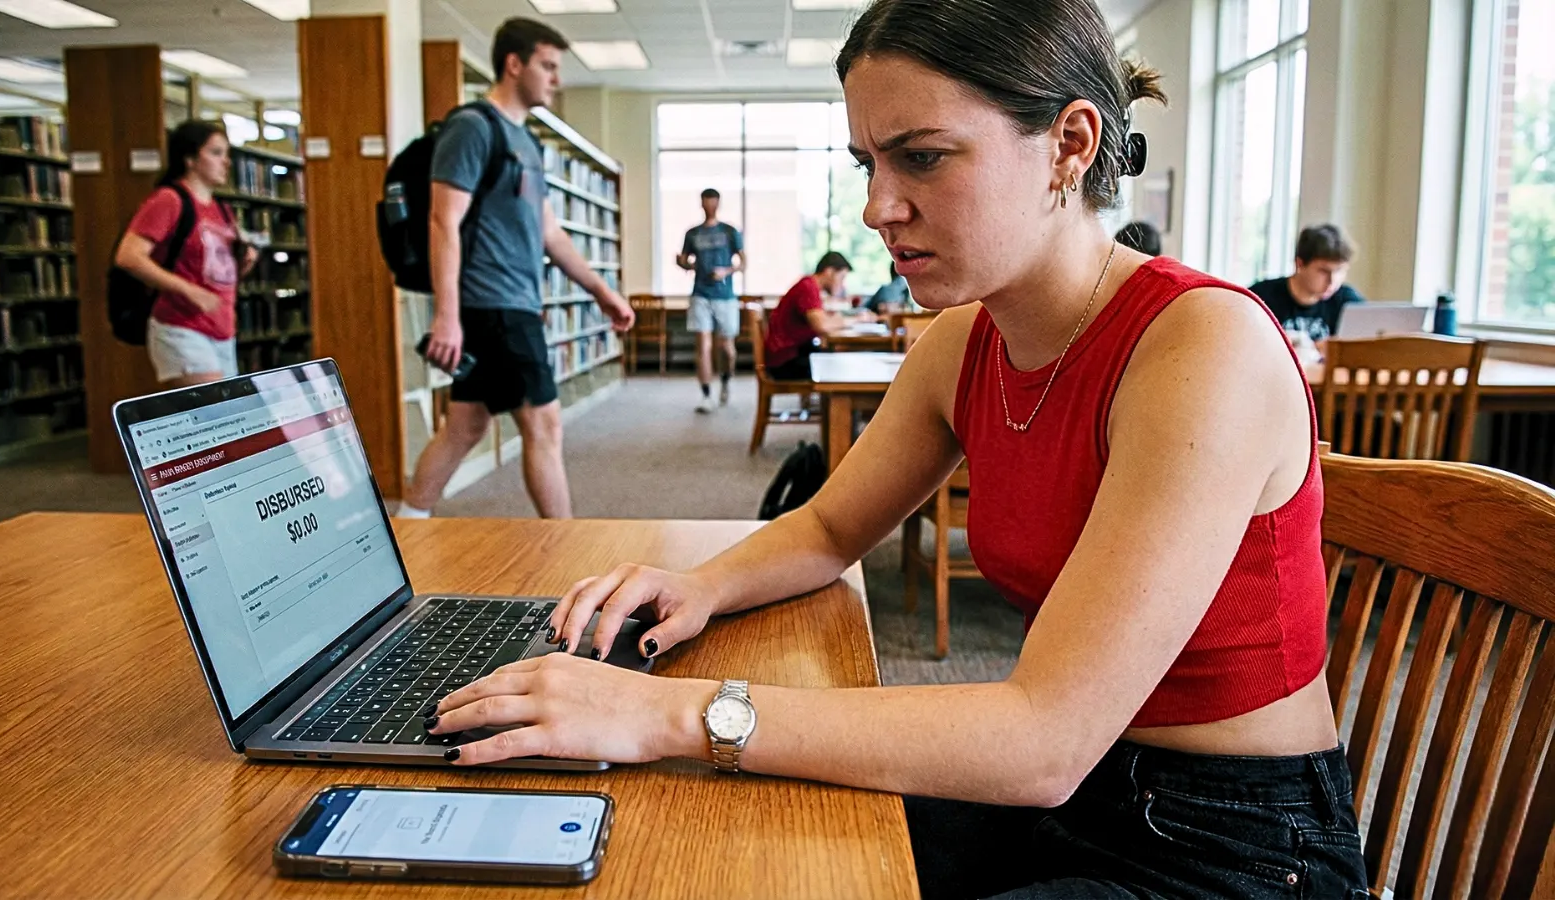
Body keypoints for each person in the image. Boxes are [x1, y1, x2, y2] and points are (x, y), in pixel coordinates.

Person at [422, 1, 1367, 898]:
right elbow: (831, 524)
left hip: (1230, 847)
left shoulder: (1204, 347)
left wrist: (666, 711)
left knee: (697, 773)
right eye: (868, 162)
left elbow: (1044, 738)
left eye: (921, 158)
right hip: (1079, 789)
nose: (878, 208)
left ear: (1069, 147)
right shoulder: (964, 338)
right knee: (715, 845)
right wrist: (701, 585)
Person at [399, 18, 634, 520]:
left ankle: (408, 521)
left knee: (466, 425)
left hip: (511, 302)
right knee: (545, 425)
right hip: (494, 305)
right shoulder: (472, 128)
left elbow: (548, 231)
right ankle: (568, 549)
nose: (557, 78)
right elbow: (443, 220)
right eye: (547, 66)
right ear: (513, 64)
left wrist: (599, 288)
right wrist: (447, 316)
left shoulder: (525, 142)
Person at [115, 120, 258, 388]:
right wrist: (189, 290)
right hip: (182, 326)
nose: (226, 162)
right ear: (190, 158)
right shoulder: (169, 200)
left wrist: (244, 260)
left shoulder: (221, 209)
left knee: (226, 417)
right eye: (216, 153)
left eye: (226, 154)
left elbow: (218, 274)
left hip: (222, 328)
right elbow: (128, 256)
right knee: (212, 414)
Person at [676, 188, 745, 413]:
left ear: (718, 203)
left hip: (725, 296)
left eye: (713, 202)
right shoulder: (692, 233)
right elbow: (685, 260)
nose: (710, 206)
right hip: (700, 294)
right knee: (703, 345)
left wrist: (725, 271)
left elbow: (743, 262)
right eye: (706, 202)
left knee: (726, 347)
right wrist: (684, 263)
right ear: (702, 204)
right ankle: (706, 394)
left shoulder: (729, 231)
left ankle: (725, 379)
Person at [1250, 224, 1365, 342]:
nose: (1332, 280)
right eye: (1323, 271)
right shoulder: (1261, 298)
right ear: (1300, 264)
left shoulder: (1349, 303)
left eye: (1339, 270)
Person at [763, 252, 861, 382]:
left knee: (838, 358)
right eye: (841, 278)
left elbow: (823, 321)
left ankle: (833, 401)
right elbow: (822, 326)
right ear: (829, 272)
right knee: (842, 366)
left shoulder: (809, 285)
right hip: (785, 361)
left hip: (790, 354)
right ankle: (839, 401)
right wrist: (856, 319)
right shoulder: (808, 288)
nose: (842, 285)